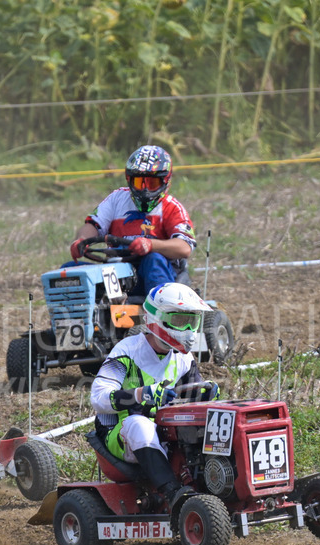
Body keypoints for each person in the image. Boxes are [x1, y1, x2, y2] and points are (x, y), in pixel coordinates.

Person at [89, 282, 219, 511]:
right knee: (139, 424)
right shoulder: (126, 351)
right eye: (180, 321)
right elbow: (98, 398)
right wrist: (142, 394)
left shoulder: (183, 359)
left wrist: (204, 396)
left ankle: (218, 482)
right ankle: (172, 492)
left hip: (165, 431)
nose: (188, 329)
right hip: (119, 435)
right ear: (156, 319)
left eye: (192, 321)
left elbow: (194, 404)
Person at [69, 144, 196, 298]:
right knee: (70, 271)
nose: (145, 189)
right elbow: (92, 225)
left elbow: (184, 248)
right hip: (118, 274)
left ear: (165, 181)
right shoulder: (116, 199)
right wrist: (81, 241)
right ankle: (76, 319)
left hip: (159, 275)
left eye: (152, 183)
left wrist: (151, 245)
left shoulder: (172, 208)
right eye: (139, 182)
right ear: (129, 180)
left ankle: (160, 313)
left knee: (153, 259)